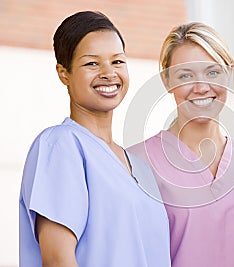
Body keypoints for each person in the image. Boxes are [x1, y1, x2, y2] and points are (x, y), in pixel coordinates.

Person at [19, 11, 171, 267]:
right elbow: (58, 259)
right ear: (63, 73)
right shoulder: (61, 146)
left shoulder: (139, 167)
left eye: (118, 61)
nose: (108, 73)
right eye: (92, 63)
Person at [127, 22, 234, 267]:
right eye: (185, 75)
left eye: (213, 72)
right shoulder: (135, 164)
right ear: (166, 81)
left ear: (229, 74)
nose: (201, 87)